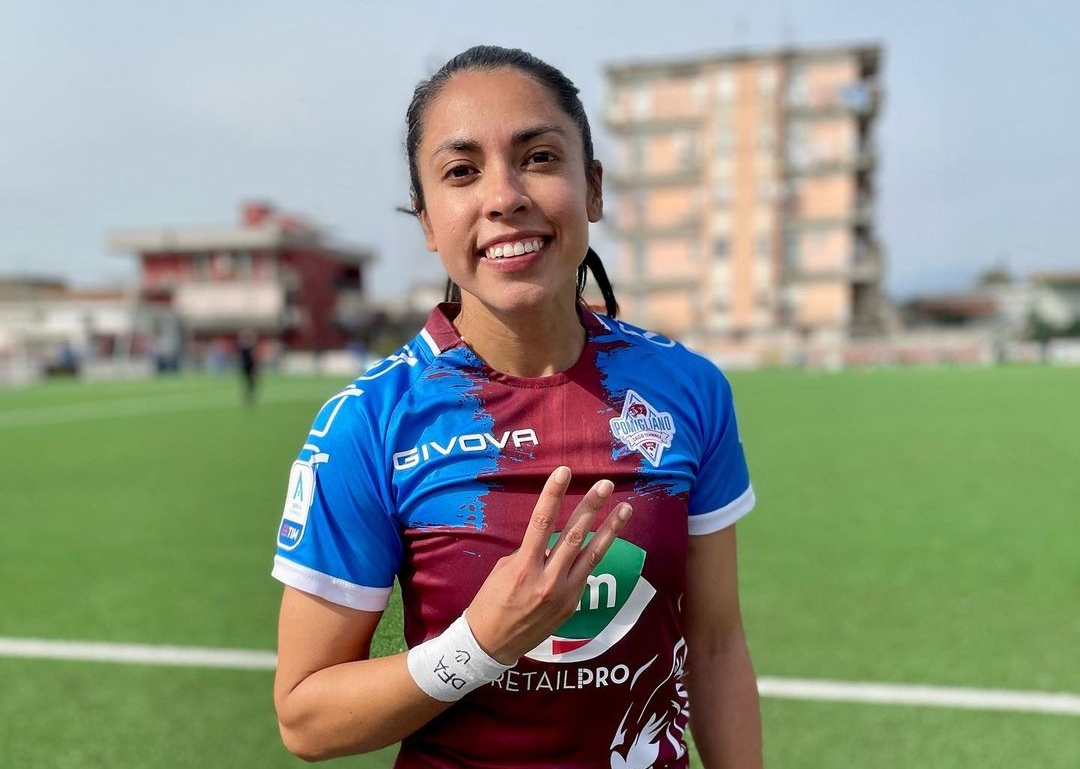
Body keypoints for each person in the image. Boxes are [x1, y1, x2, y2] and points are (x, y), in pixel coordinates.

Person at [271, 45, 763, 768]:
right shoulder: (370, 423)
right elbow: (307, 719)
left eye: (538, 157)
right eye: (461, 171)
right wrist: (479, 646)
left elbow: (716, 642)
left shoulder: (687, 389)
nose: (503, 196)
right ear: (429, 222)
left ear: (592, 189)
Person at [237, 329, 259, 405]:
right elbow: (252, 359)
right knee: (251, 383)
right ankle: (249, 397)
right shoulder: (247, 347)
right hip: (248, 367)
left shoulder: (244, 346)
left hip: (246, 367)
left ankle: (248, 397)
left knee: (249, 383)